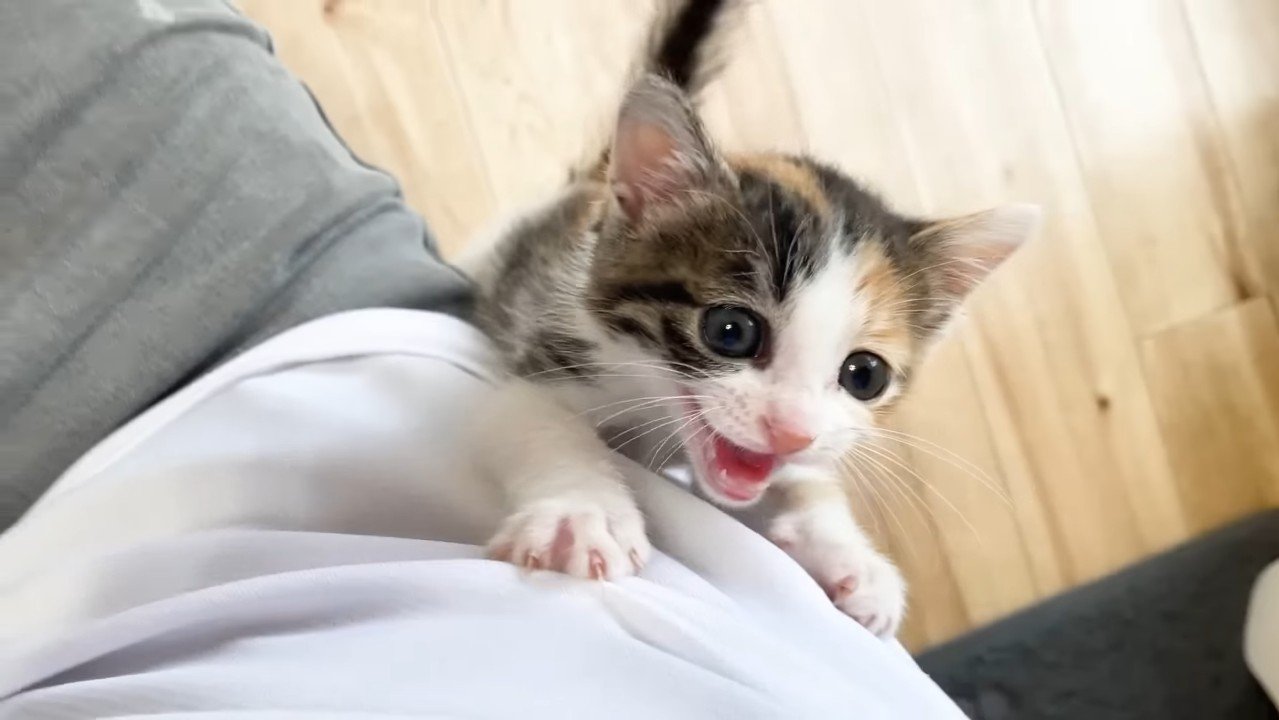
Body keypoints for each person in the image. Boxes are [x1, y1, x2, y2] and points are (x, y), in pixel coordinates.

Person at [0, 1, 965, 716]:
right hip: (478, 309)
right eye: (730, 333)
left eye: (860, 375)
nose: (801, 419)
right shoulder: (608, 301)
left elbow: (791, 452)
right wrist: (575, 486)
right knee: (481, 319)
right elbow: (527, 401)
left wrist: (822, 523)